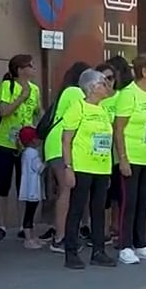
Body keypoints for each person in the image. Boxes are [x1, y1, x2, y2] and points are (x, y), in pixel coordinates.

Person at [59, 69, 118, 270]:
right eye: (102, 83)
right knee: (77, 208)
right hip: (82, 166)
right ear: (92, 87)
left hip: (101, 167)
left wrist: (108, 169)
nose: (107, 86)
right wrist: (68, 167)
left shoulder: (103, 110)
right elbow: (66, 140)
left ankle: (99, 251)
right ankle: (71, 252)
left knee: (98, 210)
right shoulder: (78, 108)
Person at [113, 53, 146, 264]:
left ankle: (140, 243)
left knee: (144, 202)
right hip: (133, 156)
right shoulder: (129, 94)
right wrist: (123, 158)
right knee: (130, 202)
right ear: (144, 71)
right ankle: (125, 246)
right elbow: (119, 129)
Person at [40, 61, 92, 252]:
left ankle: (64, 233)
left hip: (59, 144)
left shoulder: (67, 92)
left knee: (66, 189)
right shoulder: (75, 92)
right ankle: (60, 237)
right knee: (66, 189)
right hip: (61, 145)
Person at [0, 54, 39, 243]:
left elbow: (37, 113)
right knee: (4, 183)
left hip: (25, 145)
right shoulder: (7, 86)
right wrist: (22, 97)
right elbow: (4, 111)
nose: (33, 68)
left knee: (23, 184)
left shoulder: (35, 89)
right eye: (30, 65)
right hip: (5, 142)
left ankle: (23, 225)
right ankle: (1, 225)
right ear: (20, 70)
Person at [17, 127, 45, 249]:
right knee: (30, 214)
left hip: (28, 186)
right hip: (32, 188)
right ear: (33, 140)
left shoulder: (25, 153)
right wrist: (47, 163)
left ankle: (32, 237)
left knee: (30, 213)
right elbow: (39, 168)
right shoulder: (33, 153)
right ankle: (28, 239)